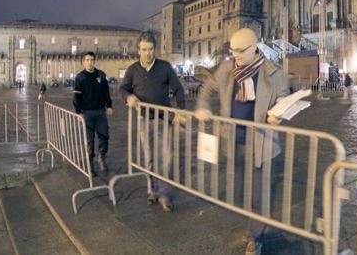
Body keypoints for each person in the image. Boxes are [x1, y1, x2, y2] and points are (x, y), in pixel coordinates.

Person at [196, 28, 289, 255]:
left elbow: (285, 100)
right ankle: (253, 221)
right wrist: (203, 107)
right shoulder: (228, 68)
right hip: (233, 141)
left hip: (262, 144)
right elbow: (208, 87)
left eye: (239, 51)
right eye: (232, 50)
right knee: (238, 192)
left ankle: (254, 237)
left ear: (255, 47)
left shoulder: (274, 73)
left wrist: (279, 114)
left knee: (259, 194)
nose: (234, 55)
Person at [120, 31, 185, 212]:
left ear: (155, 50)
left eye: (150, 49)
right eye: (144, 49)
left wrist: (180, 110)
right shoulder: (133, 70)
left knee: (167, 158)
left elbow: (178, 89)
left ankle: (165, 195)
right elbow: (122, 89)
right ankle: (152, 190)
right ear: (138, 50)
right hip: (143, 120)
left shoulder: (164, 67)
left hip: (163, 120)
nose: (147, 53)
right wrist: (128, 97)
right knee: (149, 158)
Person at [73, 51, 113, 174]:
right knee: (89, 140)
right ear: (83, 62)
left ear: (94, 61)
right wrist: (78, 112)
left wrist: (109, 106)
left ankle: (101, 157)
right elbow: (76, 97)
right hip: (87, 113)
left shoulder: (101, 75)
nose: (90, 62)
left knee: (104, 136)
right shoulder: (80, 77)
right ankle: (90, 163)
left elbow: (106, 93)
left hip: (100, 111)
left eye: (92, 60)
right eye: (87, 60)